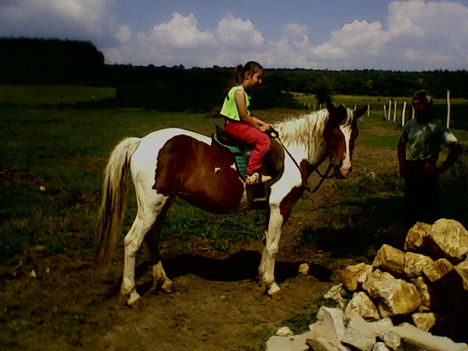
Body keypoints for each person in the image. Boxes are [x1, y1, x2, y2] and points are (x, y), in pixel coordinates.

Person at [397, 90, 462, 225]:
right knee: (410, 205)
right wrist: (402, 165)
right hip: (411, 169)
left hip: (427, 170)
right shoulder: (411, 124)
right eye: (414, 105)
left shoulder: (436, 126)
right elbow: (401, 144)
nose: (416, 108)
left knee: (429, 207)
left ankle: (430, 238)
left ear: (428, 106)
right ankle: (410, 237)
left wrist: (441, 168)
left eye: (420, 104)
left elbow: (456, 147)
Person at [220, 61, 273, 185]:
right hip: (235, 126)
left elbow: (249, 116)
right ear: (248, 75)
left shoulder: (240, 91)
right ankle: (251, 173)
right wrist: (260, 129)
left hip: (236, 124)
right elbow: (244, 117)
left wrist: (264, 124)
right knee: (264, 140)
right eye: (258, 77)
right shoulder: (239, 92)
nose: (260, 82)